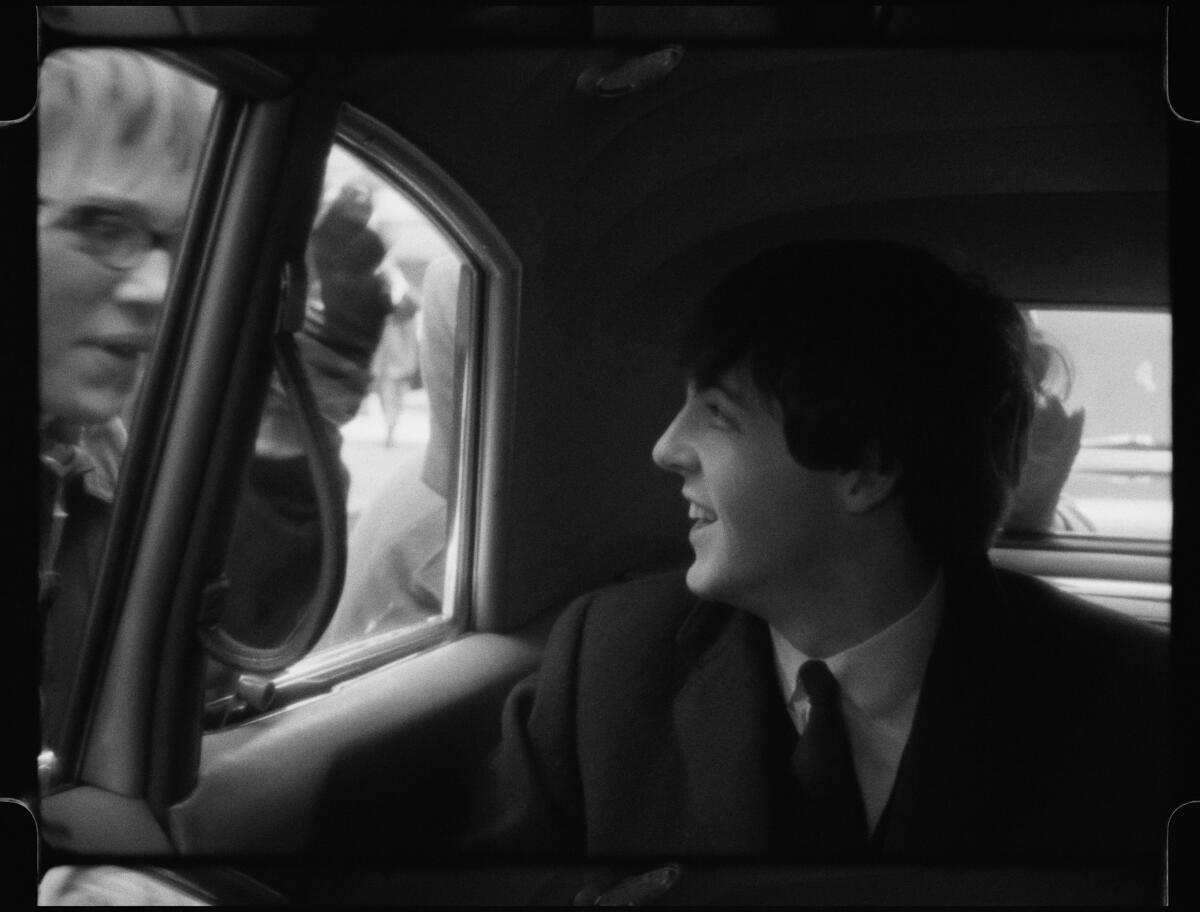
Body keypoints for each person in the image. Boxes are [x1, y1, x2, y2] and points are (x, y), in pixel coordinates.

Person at [462, 240, 1168, 867]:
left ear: (867, 467)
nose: (667, 449)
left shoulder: (1134, 708)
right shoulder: (606, 664)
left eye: (717, 415)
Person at [37, 50, 389, 738]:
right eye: (104, 226)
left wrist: (289, 405)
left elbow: (206, 668)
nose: (159, 288)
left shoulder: (107, 449)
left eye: (172, 241)